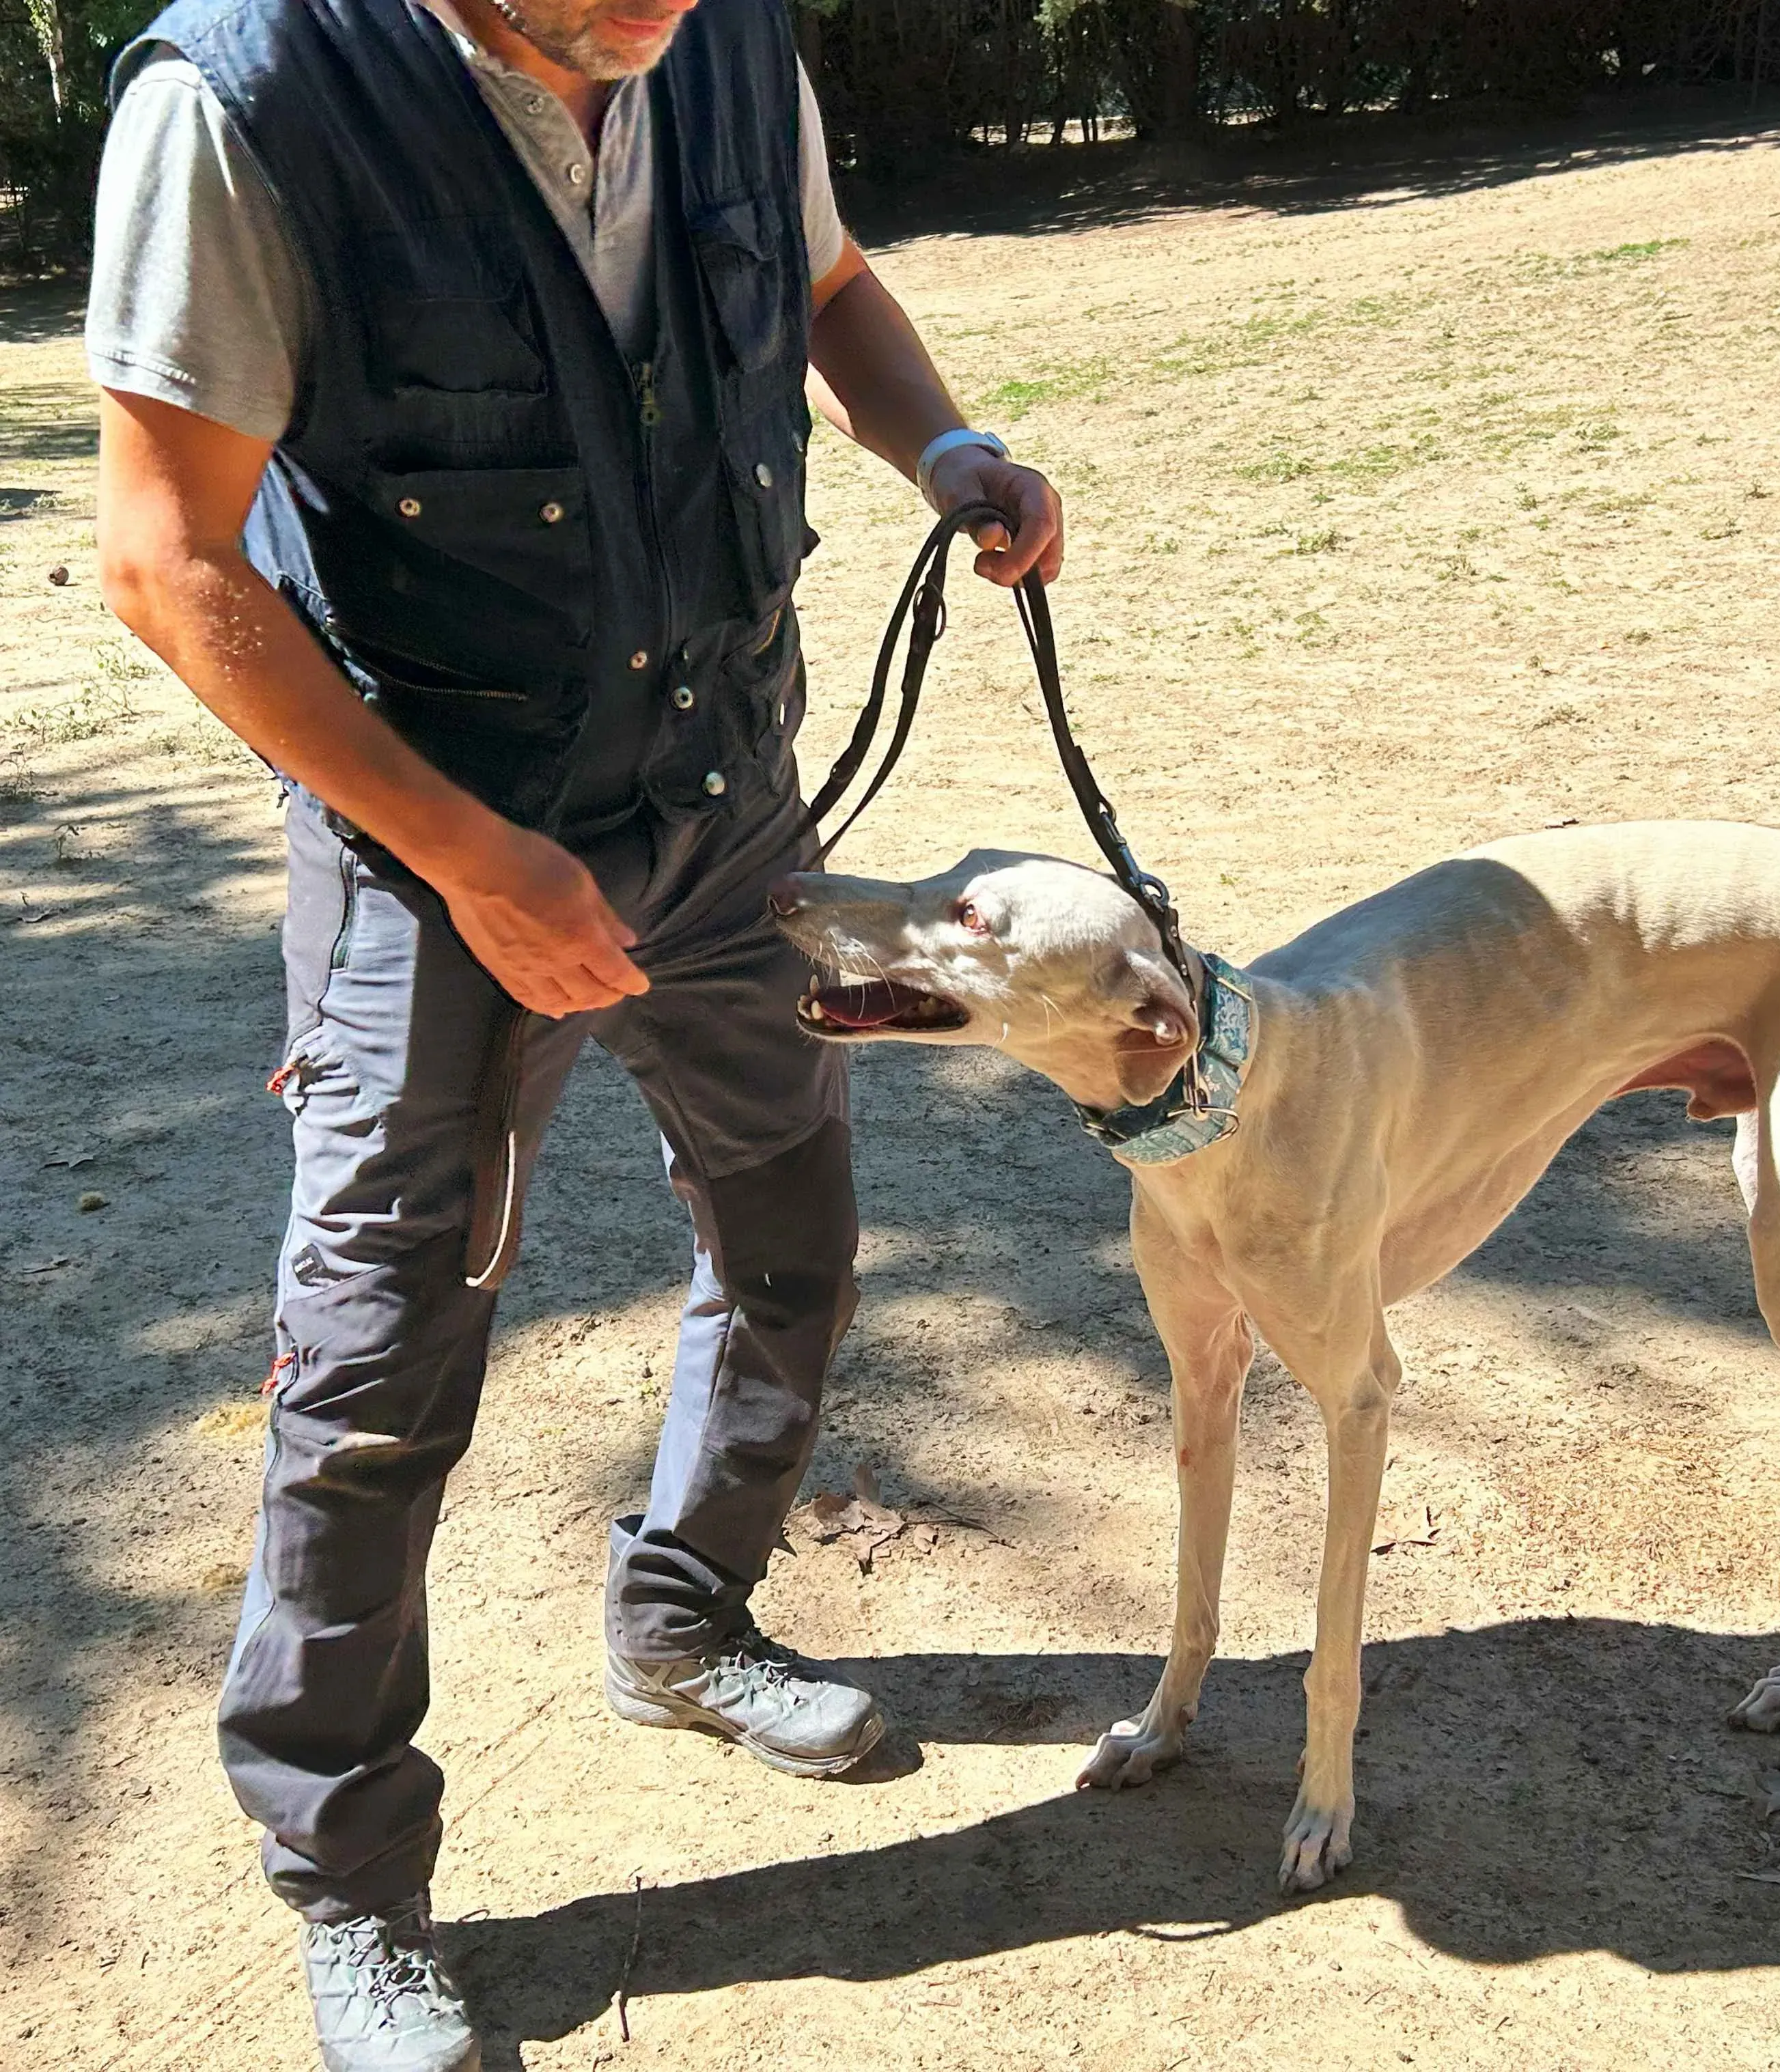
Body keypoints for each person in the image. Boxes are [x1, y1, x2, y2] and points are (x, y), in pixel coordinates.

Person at [87, 0, 1061, 2061]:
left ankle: (683, 1619)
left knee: (790, 1246)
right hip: (434, 857)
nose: (660, 9)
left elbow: (827, 287)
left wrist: (943, 445)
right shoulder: (246, 100)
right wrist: (470, 859)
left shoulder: (728, 45)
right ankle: (351, 1882)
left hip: (726, 802)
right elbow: (168, 562)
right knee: (372, 1371)